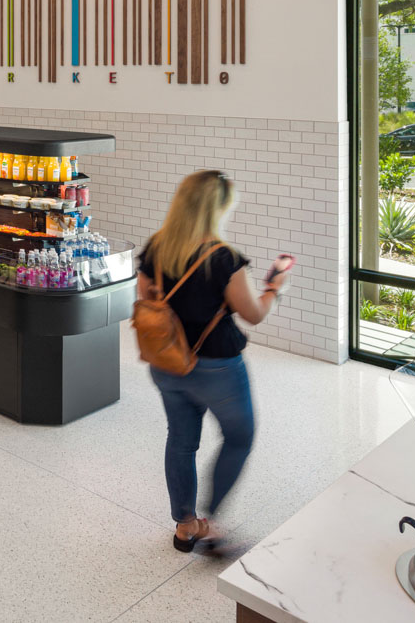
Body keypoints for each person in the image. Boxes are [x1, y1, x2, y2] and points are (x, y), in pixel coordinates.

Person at [138, 170, 291, 554]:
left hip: (167, 363)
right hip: (217, 368)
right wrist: (274, 288)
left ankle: (186, 525)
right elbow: (253, 314)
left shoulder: (156, 248)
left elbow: (148, 301)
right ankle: (212, 519)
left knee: (181, 440)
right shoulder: (223, 259)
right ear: (217, 208)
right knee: (239, 437)